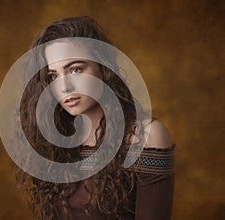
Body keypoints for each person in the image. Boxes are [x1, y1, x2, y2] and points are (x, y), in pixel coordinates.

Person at [16, 16, 175, 220]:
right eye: (53, 76)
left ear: (103, 68)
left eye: (75, 69)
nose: (64, 87)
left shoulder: (145, 137)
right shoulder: (55, 142)